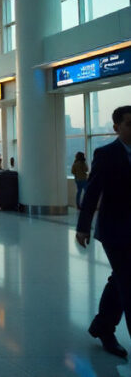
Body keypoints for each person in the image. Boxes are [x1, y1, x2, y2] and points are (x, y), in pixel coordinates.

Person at [76, 106, 131, 359]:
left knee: (120, 278)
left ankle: (102, 326)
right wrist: (83, 227)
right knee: (128, 281)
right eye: (129, 124)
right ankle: (108, 331)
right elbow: (92, 192)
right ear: (116, 128)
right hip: (114, 230)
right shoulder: (106, 154)